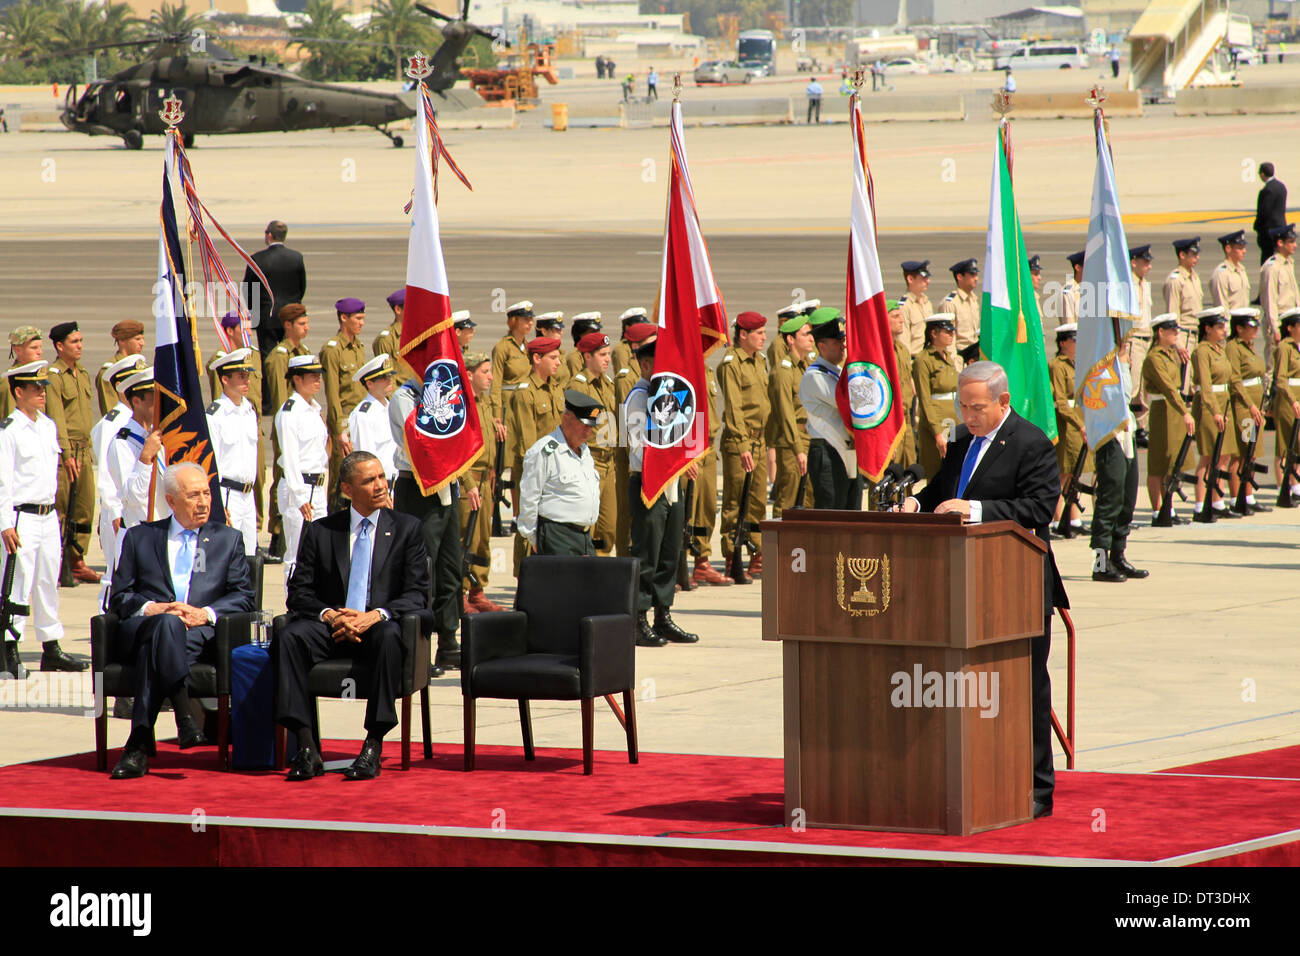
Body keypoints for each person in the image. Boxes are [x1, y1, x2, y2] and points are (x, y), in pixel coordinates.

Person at [901, 361, 1066, 819]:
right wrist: (917, 502)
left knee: (1026, 690)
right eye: (963, 406)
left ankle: (1036, 790)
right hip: (960, 586)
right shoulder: (961, 440)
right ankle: (972, 781)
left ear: (1003, 401)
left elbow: (1038, 506)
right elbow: (941, 490)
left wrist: (973, 509)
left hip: (1017, 586)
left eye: (977, 408)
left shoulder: (1032, 442)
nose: (968, 416)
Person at [276, 452, 431, 782]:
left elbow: (418, 593)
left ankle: (373, 745)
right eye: (369, 480)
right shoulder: (321, 531)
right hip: (332, 627)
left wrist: (375, 615)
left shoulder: (407, 529)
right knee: (290, 636)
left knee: (390, 636)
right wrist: (332, 615)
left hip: (377, 628)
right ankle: (305, 746)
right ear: (347, 488)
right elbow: (299, 593)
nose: (379, 485)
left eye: (381, 477)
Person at [106, 462, 256, 778]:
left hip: (196, 634)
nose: (203, 502)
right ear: (172, 501)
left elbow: (244, 595)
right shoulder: (140, 537)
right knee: (165, 625)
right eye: (193, 496)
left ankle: (137, 744)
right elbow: (119, 598)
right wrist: (154, 609)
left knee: (162, 641)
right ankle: (184, 714)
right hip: (142, 629)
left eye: (206, 494)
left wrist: (204, 614)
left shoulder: (228, 539)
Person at [0, 361, 86, 678]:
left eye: (43, 388)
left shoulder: (47, 426)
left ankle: (51, 646)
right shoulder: (8, 431)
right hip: (20, 516)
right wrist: (4, 523)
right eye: (35, 389)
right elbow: (2, 482)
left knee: (48, 580)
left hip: (48, 515)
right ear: (19, 391)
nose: (42, 394)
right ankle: (9, 646)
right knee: (17, 583)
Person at [624, 333, 698, 647]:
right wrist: (674, 462)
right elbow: (642, 449)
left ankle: (662, 615)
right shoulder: (639, 398)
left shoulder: (667, 394)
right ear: (645, 364)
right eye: (659, 362)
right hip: (648, 483)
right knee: (647, 553)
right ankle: (638, 619)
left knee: (670, 551)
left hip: (672, 483)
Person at [388, 368, 461, 671]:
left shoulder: (448, 389)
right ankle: (418, 648)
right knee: (422, 570)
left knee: (450, 567)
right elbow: (418, 439)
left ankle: (448, 641)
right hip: (419, 485)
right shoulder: (404, 397)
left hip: (447, 482)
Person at [506, 336, 567, 573]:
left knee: (551, 524)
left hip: (555, 468)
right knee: (528, 525)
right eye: (553, 358)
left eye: (559, 357)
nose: (558, 363)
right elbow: (530, 445)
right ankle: (524, 580)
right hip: (533, 469)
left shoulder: (556, 388)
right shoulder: (525, 393)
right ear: (537, 358)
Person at [45, 321, 100, 584]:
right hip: (66, 452)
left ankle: (77, 558)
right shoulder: (54, 376)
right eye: (74, 342)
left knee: (85, 506)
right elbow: (56, 417)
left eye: (80, 341)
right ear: (59, 346)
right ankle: (58, 561)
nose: (80, 346)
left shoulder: (83, 373)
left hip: (84, 450)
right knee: (63, 508)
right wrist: (66, 454)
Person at [517, 391, 603, 556]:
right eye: (584, 425)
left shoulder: (585, 452)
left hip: (584, 537)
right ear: (566, 419)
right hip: (557, 538)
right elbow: (529, 498)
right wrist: (533, 537)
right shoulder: (545, 451)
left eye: (591, 427)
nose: (588, 432)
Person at [1088, 338, 1146, 582]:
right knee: (1109, 502)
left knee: (1127, 499)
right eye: (1123, 345)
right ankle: (1101, 563)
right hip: (1110, 435)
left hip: (1127, 433)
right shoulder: (1102, 368)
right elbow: (1109, 397)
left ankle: (1118, 556)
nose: (1127, 350)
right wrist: (1120, 362)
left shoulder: (1121, 367)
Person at [718, 311, 770, 583]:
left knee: (758, 501)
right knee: (735, 500)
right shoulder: (731, 363)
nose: (764, 337)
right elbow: (734, 408)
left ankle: (756, 553)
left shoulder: (760, 361)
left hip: (759, 440)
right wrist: (741, 444)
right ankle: (732, 556)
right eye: (759, 333)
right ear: (743, 335)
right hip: (741, 441)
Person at [262, 303, 311, 560]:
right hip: (289, 428)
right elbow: (283, 400)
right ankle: (277, 534)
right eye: (302, 324)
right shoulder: (280, 356)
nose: (307, 328)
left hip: (305, 427)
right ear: (288, 325)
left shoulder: (303, 352)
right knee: (284, 477)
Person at [275, 354, 329, 580]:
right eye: (312, 376)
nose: (318, 380)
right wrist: (299, 496)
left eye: (319, 376)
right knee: (296, 555)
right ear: (296, 379)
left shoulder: (313, 409)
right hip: (300, 488)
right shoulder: (290, 412)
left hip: (316, 488)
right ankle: (292, 607)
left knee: (318, 553)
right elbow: (290, 457)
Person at [800, 316, 861, 509]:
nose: (843, 346)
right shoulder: (815, 376)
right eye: (837, 342)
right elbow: (848, 402)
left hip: (847, 450)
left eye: (843, 341)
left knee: (852, 509)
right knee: (832, 511)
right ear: (822, 346)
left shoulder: (836, 372)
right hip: (828, 451)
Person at [458, 353, 502, 614]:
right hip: (469, 483)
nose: (491, 377)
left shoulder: (484, 403)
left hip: (486, 481)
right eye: (485, 371)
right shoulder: (462, 403)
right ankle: (460, 592)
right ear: (470, 374)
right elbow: (458, 449)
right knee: (465, 538)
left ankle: (477, 590)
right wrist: (467, 482)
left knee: (483, 540)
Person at [205, 349, 260, 556]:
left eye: (247, 376)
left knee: (250, 556)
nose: (247, 381)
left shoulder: (249, 411)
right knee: (226, 555)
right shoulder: (215, 415)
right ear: (225, 379)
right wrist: (217, 503)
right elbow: (212, 462)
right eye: (241, 377)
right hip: (228, 494)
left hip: (248, 494)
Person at [568, 332, 618, 555]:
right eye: (602, 355)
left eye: (608, 354)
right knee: (589, 523)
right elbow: (576, 430)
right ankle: (587, 573)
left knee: (608, 528)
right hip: (591, 461)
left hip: (609, 464)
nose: (608, 359)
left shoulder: (607, 384)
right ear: (587, 357)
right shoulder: (579, 386)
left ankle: (601, 568)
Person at [1141, 315, 1196, 518]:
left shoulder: (1170, 355)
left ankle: (1168, 509)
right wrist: (1184, 412)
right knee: (1158, 463)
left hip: (1172, 409)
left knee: (1171, 462)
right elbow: (1168, 388)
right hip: (1162, 410)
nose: (1176, 334)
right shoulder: (1155, 358)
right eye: (1172, 331)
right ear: (1160, 333)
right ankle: (1158, 511)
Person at [1189, 308, 1238, 520]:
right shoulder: (1202, 351)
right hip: (1209, 406)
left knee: (1224, 455)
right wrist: (1215, 411)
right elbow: (1206, 386)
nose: (1223, 331)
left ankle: (1216, 501)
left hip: (1223, 404)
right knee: (1208, 456)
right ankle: (1200, 505)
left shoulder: (1220, 350)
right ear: (1207, 328)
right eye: (1219, 327)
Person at [320, 297, 369, 510]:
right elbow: (333, 394)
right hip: (345, 424)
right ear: (344, 318)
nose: (362, 323)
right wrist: (339, 431)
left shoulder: (359, 347)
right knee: (341, 482)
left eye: (362, 318)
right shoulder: (333, 350)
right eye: (358, 318)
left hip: (359, 421)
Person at [689, 361, 730, 585]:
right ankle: (679, 564)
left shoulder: (707, 369)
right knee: (688, 508)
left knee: (706, 506)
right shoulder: (685, 365)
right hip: (690, 442)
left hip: (709, 443)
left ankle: (702, 562)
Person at [768, 314, 813, 515]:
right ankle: (779, 547)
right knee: (787, 502)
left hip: (810, 439)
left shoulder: (806, 367)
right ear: (791, 339)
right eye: (805, 335)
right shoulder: (783, 371)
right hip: (791, 443)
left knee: (809, 502)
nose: (811, 339)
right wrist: (798, 449)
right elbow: (786, 414)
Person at [1225, 308, 1268, 513]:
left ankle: (1248, 496)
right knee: (1241, 454)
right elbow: (1234, 379)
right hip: (1244, 406)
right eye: (1251, 327)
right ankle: (1236, 498)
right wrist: (1250, 405)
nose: (1255, 330)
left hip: (1255, 405)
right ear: (1239, 328)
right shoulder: (1234, 347)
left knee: (1251, 454)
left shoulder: (1249, 346)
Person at [244, 220, 306, 360]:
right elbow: (302, 287)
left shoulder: (257, 259)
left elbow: (248, 289)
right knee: (291, 354)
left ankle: (270, 382)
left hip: (266, 316)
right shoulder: (296, 258)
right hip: (291, 316)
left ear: (270, 235)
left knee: (268, 357)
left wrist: (255, 312)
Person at [1048, 324, 1087, 536]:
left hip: (1079, 420)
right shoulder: (1057, 366)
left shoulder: (1077, 364)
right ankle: (1056, 520)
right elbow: (1061, 402)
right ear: (1063, 343)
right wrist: (1080, 424)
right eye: (1074, 340)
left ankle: (1073, 519)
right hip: (1066, 424)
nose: (1077, 344)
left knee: (1074, 473)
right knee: (1061, 474)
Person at [911, 313, 960, 480]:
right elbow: (925, 398)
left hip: (954, 420)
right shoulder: (923, 360)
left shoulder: (949, 358)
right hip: (937, 422)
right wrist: (937, 432)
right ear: (933, 333)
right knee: (936, 474)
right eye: (947, 331)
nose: (951, 335)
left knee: (954, 472)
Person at [488, 300, 534, 447]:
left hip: (526, 404)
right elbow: (495, 383)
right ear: (514, 321)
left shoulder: (528, 347)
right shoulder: (503, 347)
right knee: (509, 453)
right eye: (525, 319)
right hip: (510, 406)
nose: (530, 323)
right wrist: (497, 413)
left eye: (531, 319)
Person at [348, 355, 397, 489]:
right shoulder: (364, 414)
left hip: (395, 481)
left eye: (389, 376)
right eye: (384, 378)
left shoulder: (390, 407)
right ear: (369, 383)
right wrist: (378, 486)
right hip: (379, 484)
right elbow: (366, 459)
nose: (389, 380)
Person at [1259, 223, 1298, 374]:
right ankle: (1270, 396)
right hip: (1279, 322)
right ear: (1280, 243)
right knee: (1275, 367)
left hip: (1292, 323)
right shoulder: (1272, 268)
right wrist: (1275, 328)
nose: (1294, 245)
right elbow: (1270, 301)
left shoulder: (1288, 264)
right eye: (1291, 242)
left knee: (1291, 365)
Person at [1270, 308, 1300, 500]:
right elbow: (1280, 379)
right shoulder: (1284, 348)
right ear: (1290, 328)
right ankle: (1285, 487)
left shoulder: (1297, 347)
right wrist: (1292, 400)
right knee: (1285, 445)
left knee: (1298, 444)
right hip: (1288, 402)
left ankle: (1295, 483)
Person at [1128, 244, 1154, 446]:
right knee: (1133, 385)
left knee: (1143, 387)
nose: (1149, 266)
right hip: (1134, 341)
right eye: (1145, 262)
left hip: (1147, 339)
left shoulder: (1145, 284)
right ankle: (1128, 425)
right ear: (1133, 263)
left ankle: (1141, 427)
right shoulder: (1126, 285)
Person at [94, 320, 145, 416]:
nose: (142, 343)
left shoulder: (141, 368)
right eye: (137, 339)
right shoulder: (110, 372)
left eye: (142, 339)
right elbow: (111, 411)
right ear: (122, 341)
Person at [371, 288, 418, 386]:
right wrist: (396, 401)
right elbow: (387, 378)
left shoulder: (420, 335)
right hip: (401, 396)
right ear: (398, 309)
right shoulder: (386, 340)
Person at [941, 258, 981, 366]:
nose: (976, 278)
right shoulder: (950, 303)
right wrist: (953, 362)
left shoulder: (973, 300)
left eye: (976, 275)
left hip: (974, 354)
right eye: (972, 275)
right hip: (960, 356)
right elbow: (948, 336)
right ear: (959, 277)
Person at [1, 325, 44, 421]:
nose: (39, 352)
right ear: (17, 350)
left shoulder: (41, 373)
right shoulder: (10, 379)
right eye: (34, 348)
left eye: (40, 347)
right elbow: (12, 415)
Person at [1254, 163, 1287, 266]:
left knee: (1267, 259)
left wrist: (1257, 226)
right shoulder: (1281, 186)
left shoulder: (1267, 190)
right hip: (1281, 228)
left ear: (1263, 174)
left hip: (1269, 231)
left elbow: (1264, 212)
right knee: (1280, 256)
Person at [897, 261, 933, 354]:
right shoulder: (904, 306)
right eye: (923, 278)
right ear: (910, 279)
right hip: (914, 360)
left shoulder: (926, 302)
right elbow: (903, 341)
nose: (928, 281)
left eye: (927, 278)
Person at [1210, 230, 1251, 311]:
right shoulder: (1221, 274)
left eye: (1244, 247)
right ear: (1228, 249)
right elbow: (1221, 306)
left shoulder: (1241, 270)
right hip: (1231, 322)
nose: (1244, 251)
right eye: (1240, 248)